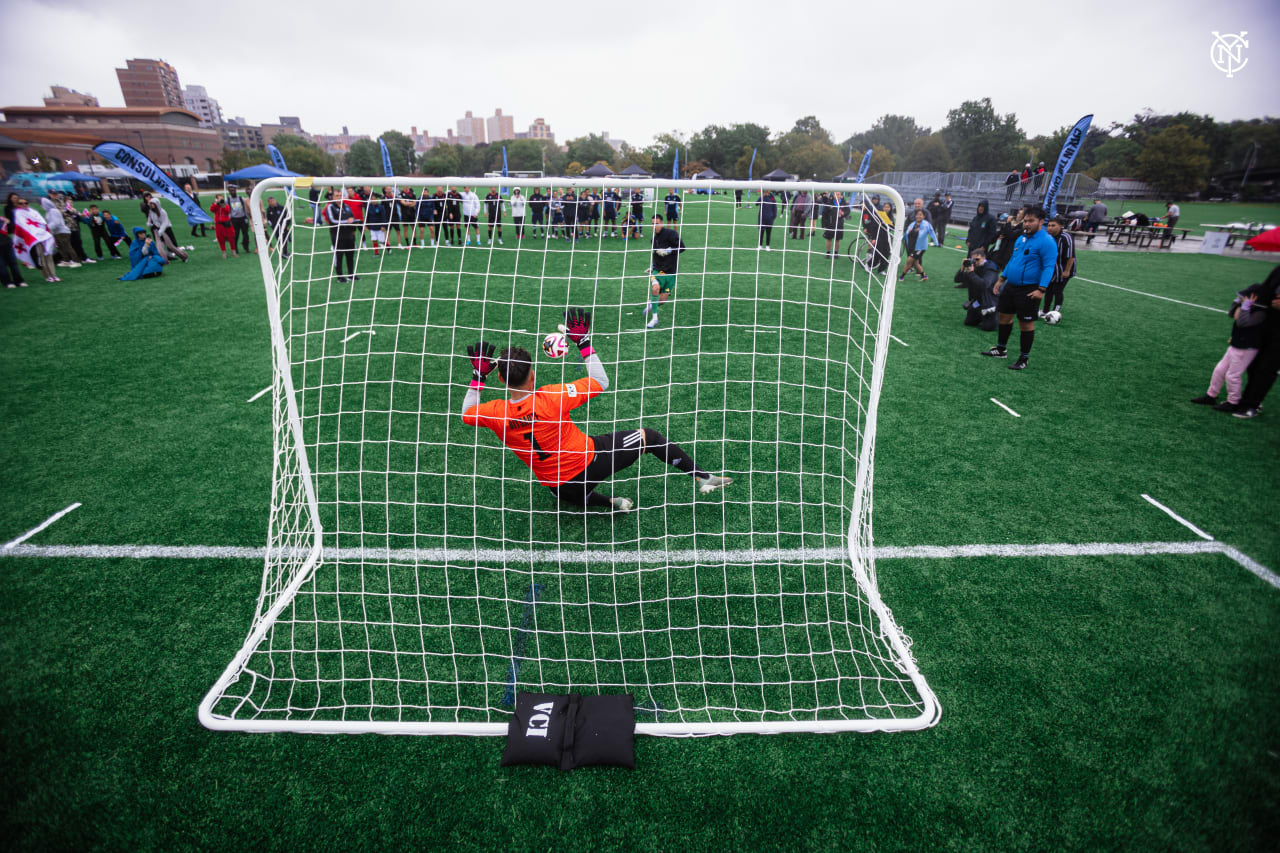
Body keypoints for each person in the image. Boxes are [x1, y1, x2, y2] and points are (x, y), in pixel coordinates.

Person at [460, 310, 731, 512]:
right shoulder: (551, 396)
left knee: (561, 492)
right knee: (650, 437)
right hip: (590, 461)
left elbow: (467, 413)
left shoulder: (496, 413)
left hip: (558, 485)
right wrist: (583, 342)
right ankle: (703, 476)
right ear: (532, 375)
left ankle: (612, 503)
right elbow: (602, 381)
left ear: (500, 379)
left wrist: (477, 378)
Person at [980, 205, 1057, 370]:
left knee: (1026, 324)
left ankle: (1024, 358)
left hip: (1029, 289)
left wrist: (1041, 289)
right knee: (1004, 318)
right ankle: (1001, 349)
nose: (1027, 224)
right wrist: (1001, 280)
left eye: (1031, 221)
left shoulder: (1047, 241)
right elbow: (1013, 261)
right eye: (1025, 221)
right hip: (1011, 286)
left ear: (1041, 222)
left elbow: (1049, 267)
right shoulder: (1021, 238)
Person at [1191, 284, 1272, 413]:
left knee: (1233, 375)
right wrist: (1238, 303)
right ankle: (1211, 396)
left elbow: (1242, 322)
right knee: (1219, 370)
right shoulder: (1248, 307)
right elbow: (1232, 314)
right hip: (1236, 344)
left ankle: (1233, 402)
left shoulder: (1260, 313)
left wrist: (1245, 306)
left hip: (1246, 348)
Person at [1233, 265, 1280, 419]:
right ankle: (1251, 399)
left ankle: (1251, 404)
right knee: (1253, 363)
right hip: (1267, 323)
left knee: (1267, 366)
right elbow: (1265, 290)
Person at [645, 214, 686, 329]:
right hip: (659, 272)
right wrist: (652, 267)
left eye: (657, 223)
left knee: (662, 301)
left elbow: (682, 247)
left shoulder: (671, 234)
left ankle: (651, 304)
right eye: (652, 224)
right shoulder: (653, 240)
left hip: (671, 273)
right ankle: (654, 318)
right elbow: (655, 256)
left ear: (662, 223)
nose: (655, 226)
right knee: (655, 288)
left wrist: (669, 251)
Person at [11, 197, 59, 282]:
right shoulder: (18, 213)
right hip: (33, 238)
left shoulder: (33, 212)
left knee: (49, 256)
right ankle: (47, 276)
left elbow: (42, 222)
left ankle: (54, 275)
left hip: (43, 236)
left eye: (25, 203)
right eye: (21, 203)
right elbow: (23, 226)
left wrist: (45, 232)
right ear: (18, 204)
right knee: (41, 258)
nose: (24, 205)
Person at [955, 248, 999, 331]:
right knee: (969, 322)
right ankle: (981, 315)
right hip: (977, 301)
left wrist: (971, 273)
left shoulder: (990, 269)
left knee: (988, 328)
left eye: (977, 259)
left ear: (984, 258)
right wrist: (962, 268)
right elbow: (957, 280)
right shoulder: (973, 267)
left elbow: (984, 285)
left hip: (989, 301)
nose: (975, 262)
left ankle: (996, 316)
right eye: (973, 260)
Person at [1042, 216, 1075, 319]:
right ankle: (1045, 311)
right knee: (1048, 290)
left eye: (1053, 225)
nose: (1050, 228)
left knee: (1057, 290)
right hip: (1052, 269)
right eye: (1049, 225)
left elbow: (1071, 256)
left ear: (1061, 226)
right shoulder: (1048, 237)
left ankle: (1055, 312)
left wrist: (1067, 271)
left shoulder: (1066, 237)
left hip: (1064, 269)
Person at [323, 190, 360, 282]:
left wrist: (354, 222)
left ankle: (351, 275)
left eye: (340, 195)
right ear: (333, 197)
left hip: (349, 235)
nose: (339, 197)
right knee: (339, 256)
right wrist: (346, 222)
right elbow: (332, 220)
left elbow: (351, 218)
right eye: (337, 196)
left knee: (350, 255)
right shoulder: (330, 207)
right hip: (337, 235)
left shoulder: (346, 206)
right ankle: (340, 277)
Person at [899, 208, 938, 280]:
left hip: (920, 248)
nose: (918, 216)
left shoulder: (926, 225)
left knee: (909, 260)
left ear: (923, 216)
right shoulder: (912, 224)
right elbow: (907, 233)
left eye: (920, 215)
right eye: (917, 215)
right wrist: (901, 240)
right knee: (915, 263)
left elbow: (932, 232)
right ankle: (924, 276)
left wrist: (936, 242)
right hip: (911, 246)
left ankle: (901, 276)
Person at [41, 197, 80, 268]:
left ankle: (76, 261)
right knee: (60, 247)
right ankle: (66, 260)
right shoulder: (48, 212)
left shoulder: (53, 211)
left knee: (67, 246)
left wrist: (47, 228)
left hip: (62, 231)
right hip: (56, 232)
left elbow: (56, 222)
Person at [819, 191, 849, 259]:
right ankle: (828, 252)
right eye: (835, 194)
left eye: (838, 194)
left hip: (839, 225)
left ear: (841, 195)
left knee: (837, 239)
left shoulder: (844, 203)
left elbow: (848, 211)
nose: (837, 196)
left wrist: (843, 213)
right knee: (828, 239)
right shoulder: (829, 203)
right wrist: (824, 225)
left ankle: (836, 253)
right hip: (830, 225)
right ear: (833, 195)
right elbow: (824, 214)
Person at [0, 214, 26, 288]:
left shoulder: (2, 219)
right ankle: (7, 282)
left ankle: (19, 281)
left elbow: (10, 230)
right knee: (2, 265)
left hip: (7, 243)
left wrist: (9, 223)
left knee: (13, 262)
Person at [227, 187, 252, 253]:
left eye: (233, 190)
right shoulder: (228, 200)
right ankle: (235, 249)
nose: (232, 192)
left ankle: (246, 247)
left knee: (246, 234)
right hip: (234, 219)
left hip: (243, 218)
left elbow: (246, 206)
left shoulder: (241, 198)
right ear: (229, 192)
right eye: (231, 191)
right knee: (235, 235)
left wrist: (247, 216)